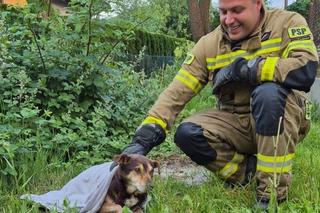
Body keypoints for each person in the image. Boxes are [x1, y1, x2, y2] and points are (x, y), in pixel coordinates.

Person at [121, 0, 319, 210]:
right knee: (187, 134)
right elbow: (176, 92)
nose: (228, 20)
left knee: (268, 94)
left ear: (258, 4)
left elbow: (305, 69)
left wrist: (250, 69)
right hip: (236, 125)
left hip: (283, 117)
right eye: (223, 12)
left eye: (237, 10)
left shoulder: (287, 22)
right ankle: (247, 173)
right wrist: (143, 138)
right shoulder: (209, 44)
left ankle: (270, 195)